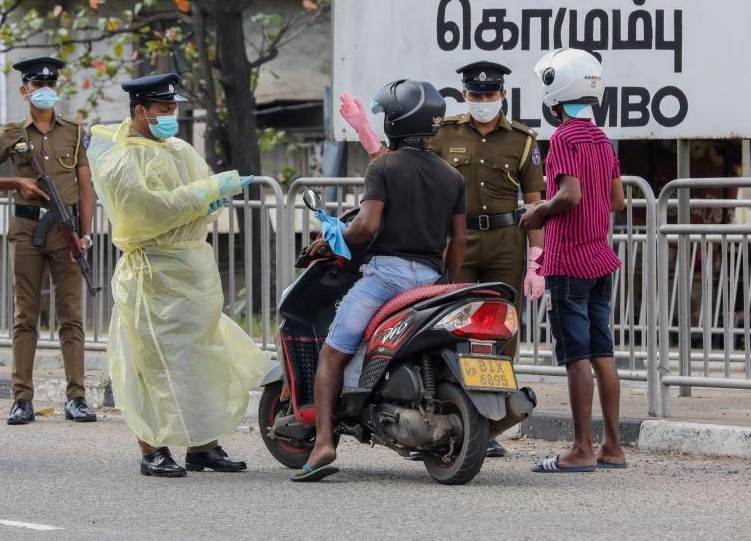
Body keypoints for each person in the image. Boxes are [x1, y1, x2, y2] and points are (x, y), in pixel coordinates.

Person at [340, 60, 545, 459]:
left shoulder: (523, 140)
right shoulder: (445, 132)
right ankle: (434, 410)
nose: (482, 101)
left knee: (502, 331)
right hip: (457, 241)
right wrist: (365, 131)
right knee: (444, 328)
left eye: (489, 95)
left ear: (503, 95)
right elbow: (400, 164)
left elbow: (534, 205)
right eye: (475, 95)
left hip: (506, 242)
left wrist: (537, 260)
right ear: (464, 96)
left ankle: (488, 423)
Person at [86, 72, 267, 477]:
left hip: (192, 271)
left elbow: (202, 203)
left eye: (174, 109)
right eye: (164, 109)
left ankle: (204, 446)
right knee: (150, 364)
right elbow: (145, 214)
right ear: (140, 111)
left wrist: (214, 196)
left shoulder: (180, 149)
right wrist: (207, 192)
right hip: (151, 277)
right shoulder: (119, 160)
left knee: (199, 359)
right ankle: (153, 449)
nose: (171, 116)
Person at [294, 79, 466, 482]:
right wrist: (443, 282)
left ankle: (322, 444)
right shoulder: (451, 176)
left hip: (385, 279)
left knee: (333, 353)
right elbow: (459, 241)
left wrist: (333, 240)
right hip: (428, 282)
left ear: (394, 121)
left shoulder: (383, 166)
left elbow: (367, 226)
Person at [0, 56, 96, 425]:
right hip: (26, 230)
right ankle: (21, 398)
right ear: (25, 91)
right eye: (38, 86)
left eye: (50, 85)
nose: (45, 92)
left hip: (66, 229)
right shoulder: (11, 134)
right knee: (25, 316)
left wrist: (85, 234)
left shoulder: (74, 131)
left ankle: (77, 396)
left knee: (70, 316)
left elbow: (86, 188)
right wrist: (16, 183)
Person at [519, 48, 627, 473]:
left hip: (568, 262)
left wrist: (538, 211)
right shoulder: (602, 138)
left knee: (575, 357)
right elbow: (617, 198)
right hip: (601, 257)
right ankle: (613, 447)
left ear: (556, 94)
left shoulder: (564, 138)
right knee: (603, 353)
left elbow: (570, 195)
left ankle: (581, 449)